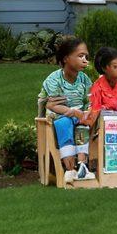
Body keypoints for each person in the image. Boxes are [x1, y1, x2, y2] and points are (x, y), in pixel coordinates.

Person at [41, 36, 96, 186]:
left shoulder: (84, 79)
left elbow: (90, 100)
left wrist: (87, 112)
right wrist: (74, 112)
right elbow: (53, 105)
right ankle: (69, 168)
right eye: (80, 56)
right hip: (57, 117)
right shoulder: (54, 79)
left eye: (86, 56)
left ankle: (82, 166)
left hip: (78, 116)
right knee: (65, 122)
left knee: (83, 124)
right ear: (66, 58)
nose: (85, 60)